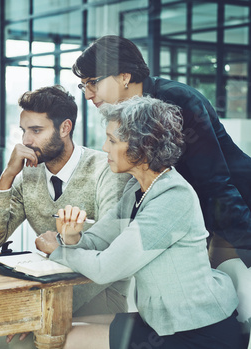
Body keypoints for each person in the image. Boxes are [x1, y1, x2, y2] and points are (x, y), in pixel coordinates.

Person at [36, 96, 243, 349]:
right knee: (58, 324)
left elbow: (106, 268)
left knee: (64, 339)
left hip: (198, 332)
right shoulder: (138, 188)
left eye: (112, 140)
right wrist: (70, 237)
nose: (104, 147)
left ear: (142, 146)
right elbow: (97, 240)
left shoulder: (173, 198)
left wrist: (57, 251)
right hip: (159, 321)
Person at [72, 35, 251, 327]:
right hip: (199, 213)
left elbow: (216, 182)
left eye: (93, 81)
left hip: (235, 207)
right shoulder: (126, 117)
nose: (88, 93)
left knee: (230, 305)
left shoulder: (179, 100)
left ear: (124, 76)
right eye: (84, 85)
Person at [0, 85, 131, 349]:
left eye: (36, 131)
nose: (26, 141)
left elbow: (107, 252)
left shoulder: (106, 170)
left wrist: (38, 312)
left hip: (99, 291)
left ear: (65, 128)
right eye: (24, 130)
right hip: (47, 287)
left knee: (18, 345)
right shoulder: (29, 174)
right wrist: (7, 177)